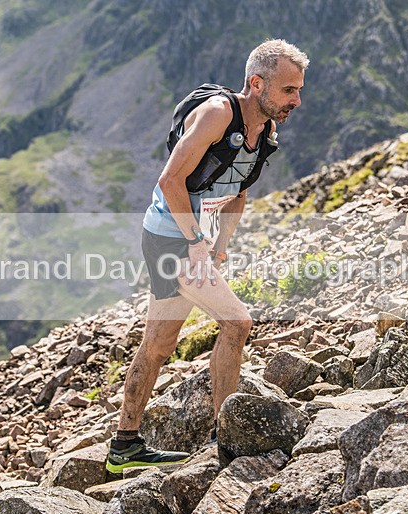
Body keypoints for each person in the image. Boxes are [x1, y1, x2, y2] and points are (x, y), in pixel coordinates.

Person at [106, 39, 308, 474]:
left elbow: (239, 191)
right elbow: (170, 180)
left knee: (158, 344)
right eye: (289, 90)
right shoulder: (218, 114)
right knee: (237, 322)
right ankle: (225, 436)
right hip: (169, 239)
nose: (297, 100)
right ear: (257, 83)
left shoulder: (264, 131)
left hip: (188, 239)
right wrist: (197, 242)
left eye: (299, 90)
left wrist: (221, 245)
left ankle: (124, 445)